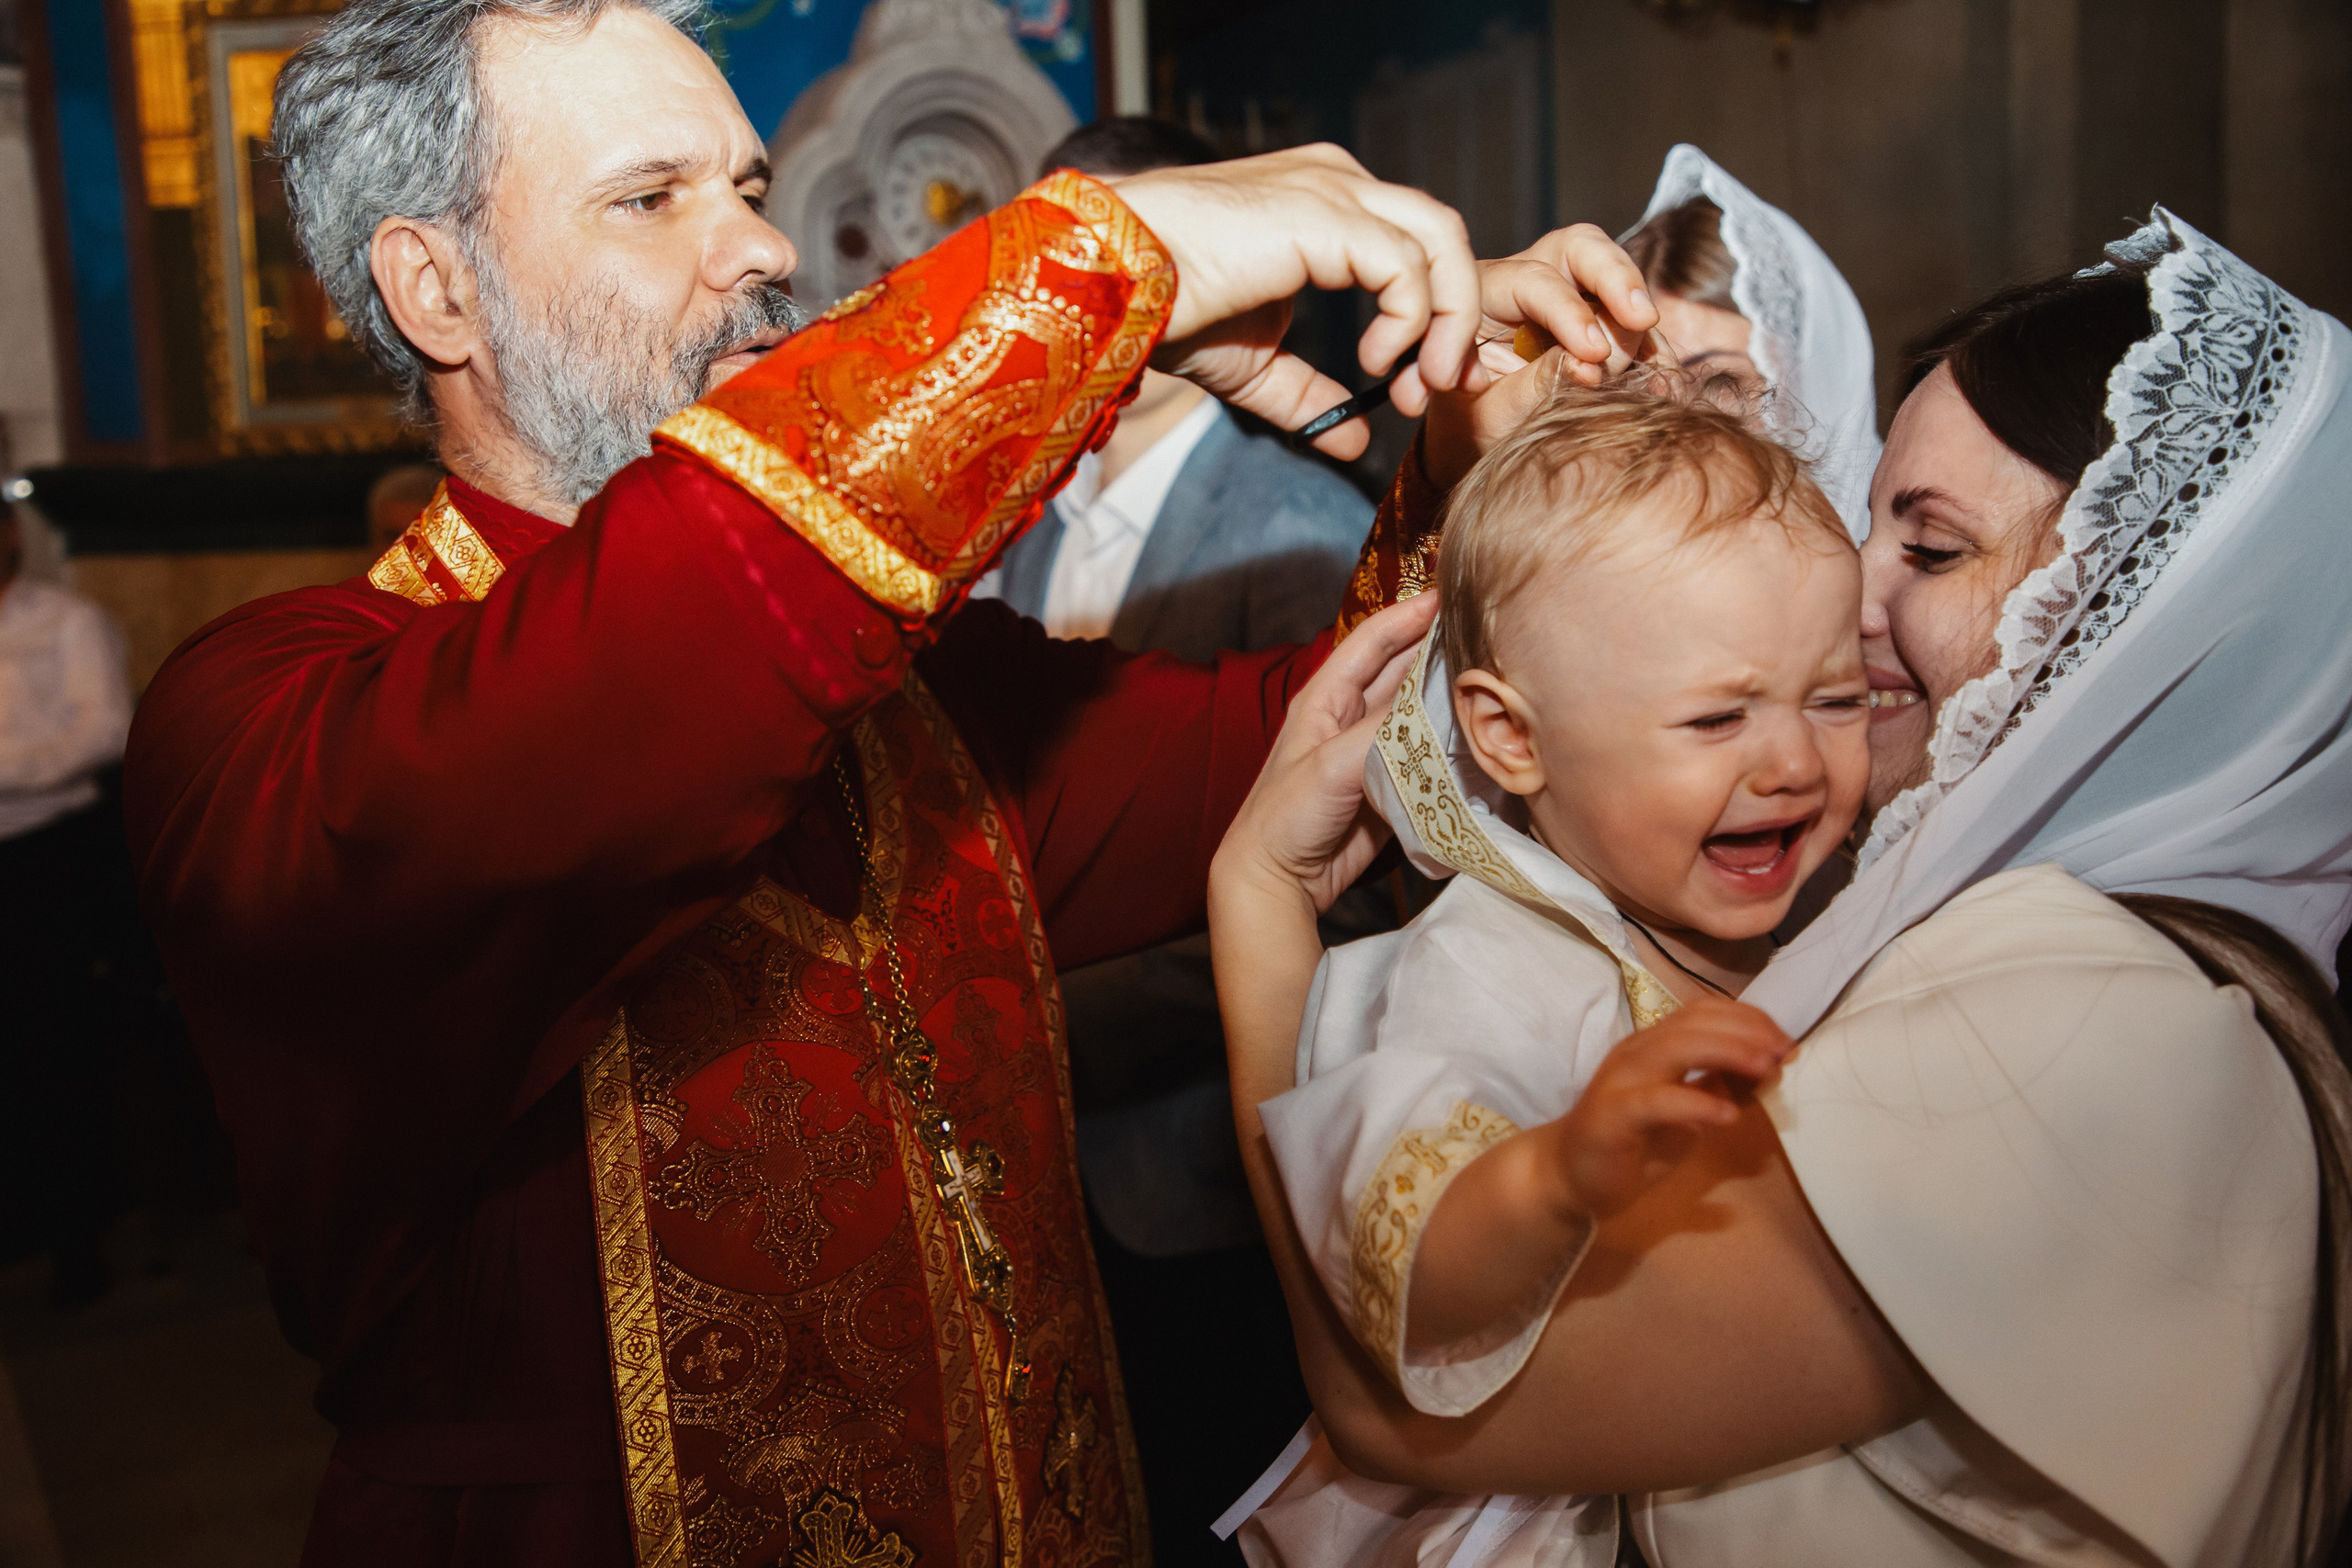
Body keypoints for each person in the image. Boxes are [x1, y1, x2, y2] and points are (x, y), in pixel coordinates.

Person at [120, 3, 1654, 1564]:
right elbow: (617, 691)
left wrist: (1466, 463)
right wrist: (1105, 262)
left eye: (748, 185)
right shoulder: (261, 721)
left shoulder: (916, 691)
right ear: (434, 287)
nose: (763, 247)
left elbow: (1325, 747)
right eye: (650, 198)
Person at [1208, 207, 2352, 1565]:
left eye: (1931, 549)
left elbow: (1395, 1405)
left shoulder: (2086, 1011)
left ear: (2135, 615)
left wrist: (1257, 907)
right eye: (1870, 524)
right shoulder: (2001, 936)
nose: (1851, 607)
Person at [1235, 381, 1870, 1563]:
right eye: (1716, 720)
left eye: (1838, 700)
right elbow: (1404, 1267)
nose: (1792, 760)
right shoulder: (1495, 958)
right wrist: (1555, 1174)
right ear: (1512, 737)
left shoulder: (1829, 903)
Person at [980, 114, 1383, 1557]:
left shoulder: (1306, 527)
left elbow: (1342, 877)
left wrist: (1022, 1021)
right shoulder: (1011, 506)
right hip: (1030, 1185)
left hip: (1194, 1161)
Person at [1334, 144, 1880, 642]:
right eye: (1636, 382)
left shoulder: (1879, 623)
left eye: (1722, 387)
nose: (1673, 417)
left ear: (1819, 387)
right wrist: (1454, 449)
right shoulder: (1572, 603)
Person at [0, 472, 135, 1307]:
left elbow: (106, 728)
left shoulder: (66, 621)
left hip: (47, 858)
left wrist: (8, 771)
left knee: (55, 1045)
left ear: (11, 537)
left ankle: (81, 1233)